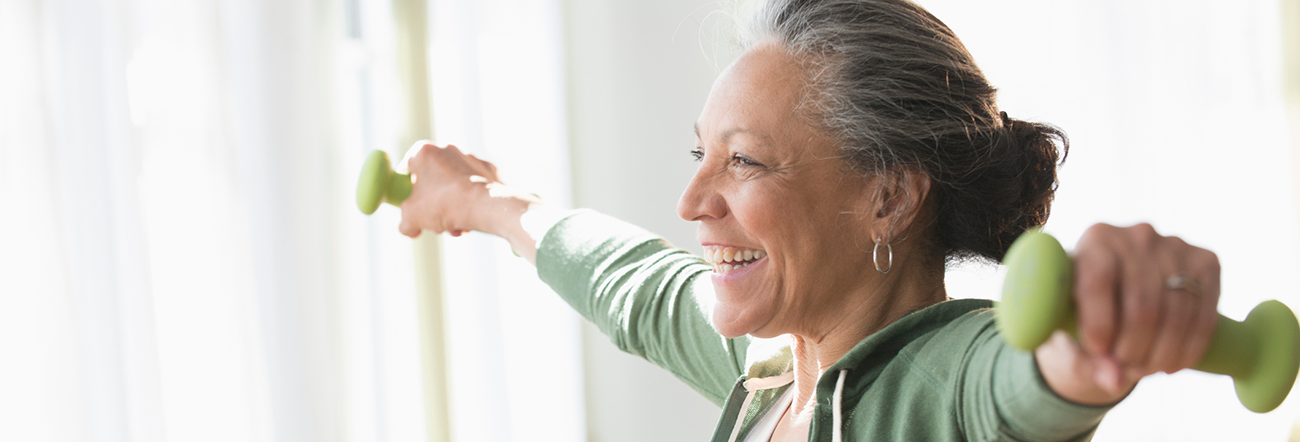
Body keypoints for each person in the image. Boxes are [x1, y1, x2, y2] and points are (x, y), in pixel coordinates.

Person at [395, 0, 1222, 440]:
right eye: (700, 158)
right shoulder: (773, 373)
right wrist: (479, 201)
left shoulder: (943, 381)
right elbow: (634, 285)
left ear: (889, 197)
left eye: (745, 161)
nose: (692, 204)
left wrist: (1095, 340)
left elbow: (1018, 386)